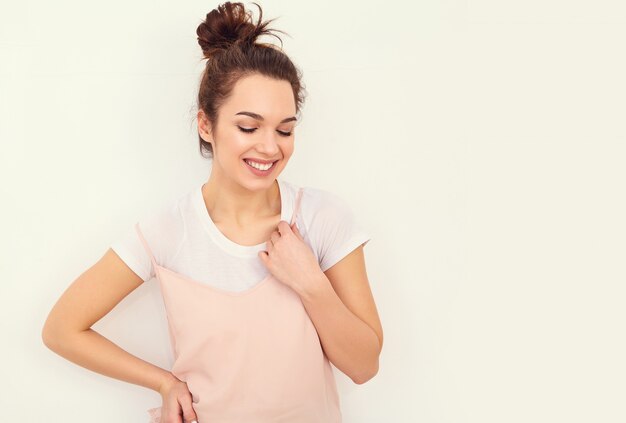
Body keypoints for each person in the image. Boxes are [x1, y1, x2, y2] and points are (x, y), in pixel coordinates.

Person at [41, 2, 383, 422]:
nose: (270, 147)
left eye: (285, 129)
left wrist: (310, 283)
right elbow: (61, 329)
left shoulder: (323, 219)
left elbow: (365, 366)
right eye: (248, 126)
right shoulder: (167, 231)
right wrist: (164, 382)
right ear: (206, 124)